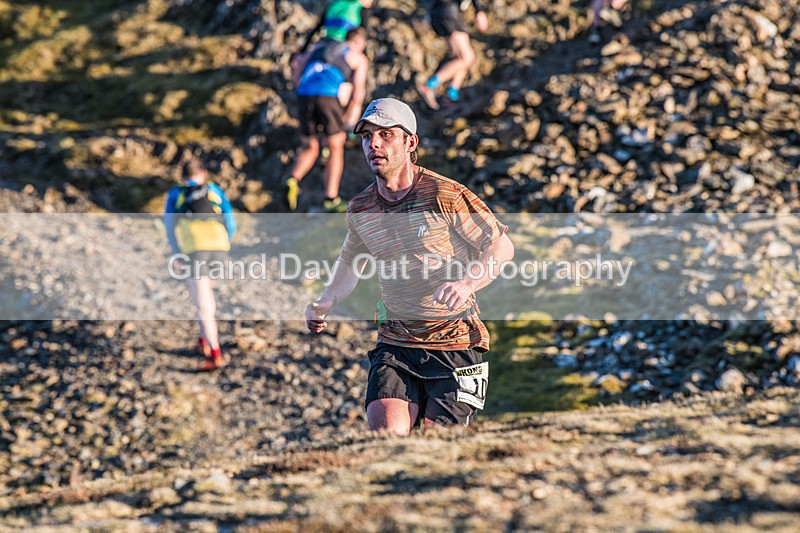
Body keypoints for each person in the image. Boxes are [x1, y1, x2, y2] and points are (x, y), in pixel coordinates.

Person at [305, 98, 515, 434]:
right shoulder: (361, 207)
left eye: (386, 134)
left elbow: (501, 246)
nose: (373, 143)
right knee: (387, 439)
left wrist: (466, 284)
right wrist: (328, 299)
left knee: (436, 447)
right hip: (396, 344)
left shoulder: (444, 194)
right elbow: (351, 260)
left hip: (456, 344)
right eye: (366, 136)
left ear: (410, 142)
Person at [285, 27, 369, 213]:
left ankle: (293, 179)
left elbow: (297, 75)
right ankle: (331, 198)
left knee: (310, 147)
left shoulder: (319, 47)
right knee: (336, 146)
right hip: (328, 96)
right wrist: (347, 120)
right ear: (359, 42)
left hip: (304, 95)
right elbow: (357, 94)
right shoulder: (357, 56)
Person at [164, 159, 237, 371]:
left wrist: (177, 253)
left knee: (203, 306)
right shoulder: (213, 189)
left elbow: (169, 227)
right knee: (207, 296)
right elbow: (230, 221)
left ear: (181, 176)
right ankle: (205, 338)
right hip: (220, 246)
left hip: (195, 249)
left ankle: (214, 353)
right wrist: (226, 242)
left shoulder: (176, 194)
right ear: (203, 173)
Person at [416, 0, 488, 110]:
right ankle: (429, 85)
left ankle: (452, 96)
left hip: (440, 13)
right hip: (448, 12)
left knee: (460, 59)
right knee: (467, 57)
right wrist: (480, 12)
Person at [297, 0, 374, 55]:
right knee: (362, 64)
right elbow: (364, 35)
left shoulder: (332, 4)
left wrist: (302, 51)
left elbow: (316, 29)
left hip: (325, 44)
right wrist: (364, 56)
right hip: (345, 47)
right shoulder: (360, 9)